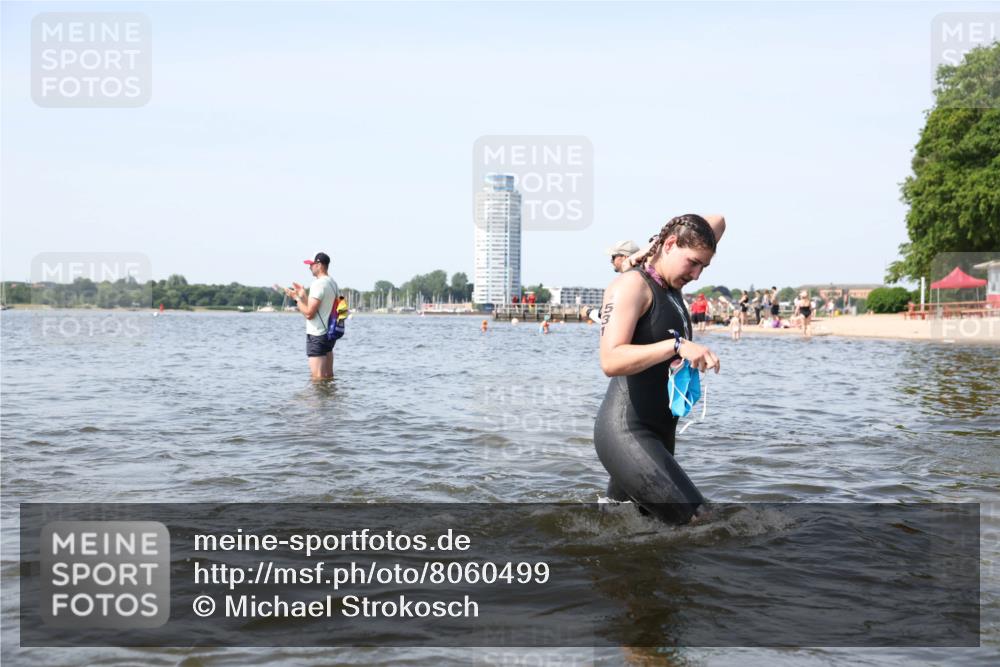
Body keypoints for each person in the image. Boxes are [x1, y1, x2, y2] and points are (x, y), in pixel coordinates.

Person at [594, 214, 723, 525]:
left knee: (621, 530)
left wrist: (654, 245)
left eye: (703, 267)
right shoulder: (632, 286)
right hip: (627, 433)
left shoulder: (670, 284)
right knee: (699, 521)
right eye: (692, 263)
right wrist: (676, 346)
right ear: (670, 245)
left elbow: (716, 221)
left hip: (660, 436)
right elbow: (610, 361)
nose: (696, 274)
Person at [285, 252, 339, 380]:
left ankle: (316, 400)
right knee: (328, 377)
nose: (309, 267)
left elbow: (309, 314)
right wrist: (303, 295)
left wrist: (296, 298)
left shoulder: (318, 284)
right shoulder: (332, 282)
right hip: (329, 334)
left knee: (317, 378)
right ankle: (329, 400)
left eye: (311, 264)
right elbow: (317, 308)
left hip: (317, 335)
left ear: (319, 265)